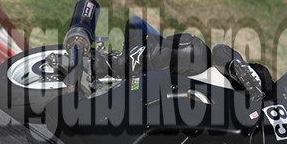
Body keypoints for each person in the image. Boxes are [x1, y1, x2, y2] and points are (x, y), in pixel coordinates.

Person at [95, 17, 273, 101]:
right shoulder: (229, 75)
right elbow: (221, 53)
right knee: (136, 24)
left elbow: (220, 51)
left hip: (192, 62)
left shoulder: (243, 102)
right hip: (187, 69)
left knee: (195, 49)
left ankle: (110, 64)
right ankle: (114, 66)